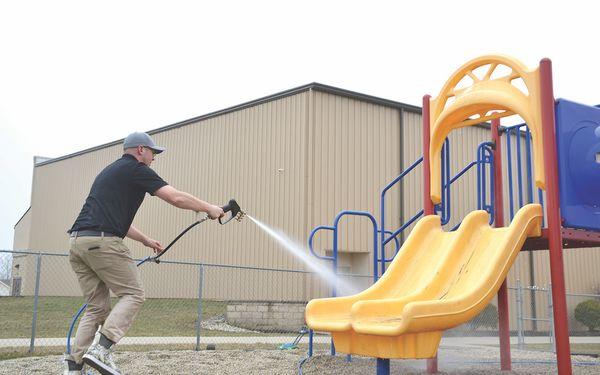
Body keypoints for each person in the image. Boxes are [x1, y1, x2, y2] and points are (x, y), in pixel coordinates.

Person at [64, 132, 224, 375]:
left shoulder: (109, 172)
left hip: (78, 243)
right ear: (141, 150)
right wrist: (209, 207)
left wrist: (146, 239)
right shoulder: (136, 169)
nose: (154, 159)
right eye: (153, 153)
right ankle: (101, 350)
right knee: (133, 294)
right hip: (103, 243)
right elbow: (175, 197)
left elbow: (115, 220)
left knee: (96, 308)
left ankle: (74, 368)